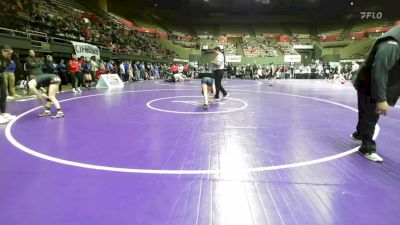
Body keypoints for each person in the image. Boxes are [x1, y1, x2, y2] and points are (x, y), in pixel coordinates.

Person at [352, 25, 400, 162]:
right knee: (371, 115)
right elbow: (380, 71)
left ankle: (359, 133)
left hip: (365, 81)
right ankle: (367, 148)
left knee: (364, 111)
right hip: (369, 84)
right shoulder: (392, 44)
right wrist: (381, 99)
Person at [0, 45, 17, 124]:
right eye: (8, 53)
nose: (9, 55)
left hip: (1, 78)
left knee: (3, 96)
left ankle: (3, 113)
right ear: (3, 51)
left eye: (10, 54)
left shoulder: (6, 60)